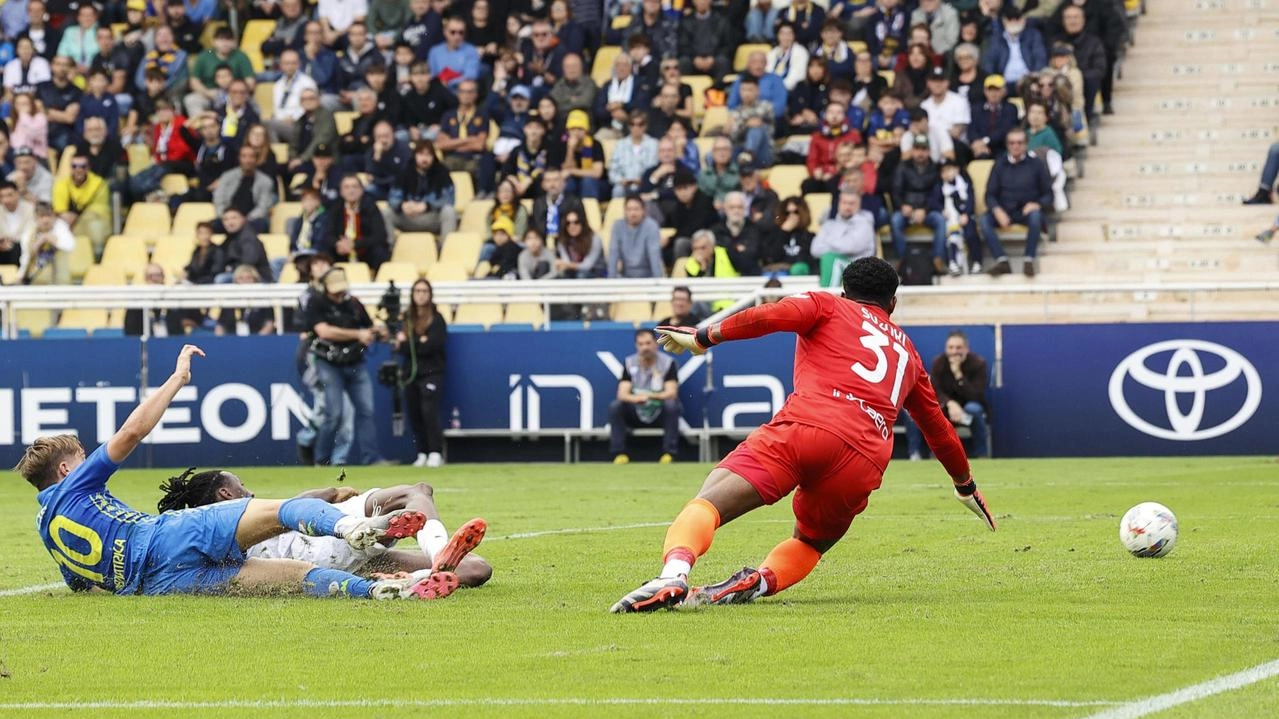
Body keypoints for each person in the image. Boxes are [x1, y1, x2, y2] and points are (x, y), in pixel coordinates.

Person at [610, 257, 996, 612]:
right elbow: (939, 428)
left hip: (809, 427)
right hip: (865, 458)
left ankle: (673, 575)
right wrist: (965, 485)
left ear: (844, 291)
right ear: (892, 304)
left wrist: (704, 336)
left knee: (711, 499)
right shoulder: (909, 354)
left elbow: (769, 316)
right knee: (811, 542)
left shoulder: (827, 304)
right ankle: (756, 582)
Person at [17, 345, 459, 601]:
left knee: (294, 579)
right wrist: (177, 379)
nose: (86, 461)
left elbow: (82, 586)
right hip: (167, 537)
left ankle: (379, 594)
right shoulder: (75, 484)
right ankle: (353, 528)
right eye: (80, 457)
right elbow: (131, 432)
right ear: (65, 468)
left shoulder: (47, 528)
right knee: (282, 509)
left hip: (160, 585)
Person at [157, 472, 490, 587]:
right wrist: (334, 491)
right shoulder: (238, 513)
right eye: (241, 485)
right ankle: (437, 550)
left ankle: (408, 575)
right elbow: (302, 503)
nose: (251, 492)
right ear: (225, 494)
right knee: (415, 492)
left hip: (323, 563)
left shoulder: (210, 541)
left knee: (476, 569)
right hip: (324, 539)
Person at [304, 267, 390, 466]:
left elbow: (368, 326)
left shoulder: (353, 303)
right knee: (333, 414)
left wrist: (379, 332)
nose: (339, 293)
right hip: (328, 363)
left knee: (366, 411)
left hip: (355, 362)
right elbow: (323, 331)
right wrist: (357, 334)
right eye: (335, 290)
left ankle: (371, 457)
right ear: (326, 287)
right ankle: (322, 459)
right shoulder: (316, 302)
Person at [904, 330, 990, 460]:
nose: (954, 351)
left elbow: (976, 395)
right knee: (932, 412)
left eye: (958, 347)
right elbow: (935, 390)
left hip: (968, 407)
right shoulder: (939, 362)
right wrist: (950, 403)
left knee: (973, 409)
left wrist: (958, 375)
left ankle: (982, 455)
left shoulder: (978, 364)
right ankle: (936, 456)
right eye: (951, 347)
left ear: (966, 348)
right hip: (946, 406)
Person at [982, 128, 1053, 277]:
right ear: (1007, 145)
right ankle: (1002, 261)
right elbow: (989, 195)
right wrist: (997, 210)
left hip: (1026, 212)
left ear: (1026, 144)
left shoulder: (1036, 165)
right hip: (1004, 211)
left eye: (1020, 143)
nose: (1016, 146)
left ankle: (1029, 260)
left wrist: (1037, 204)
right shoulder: (999, 165)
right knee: (984, 220)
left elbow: (1048, 194)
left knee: (1035, 216)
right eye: (1012, 143)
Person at [396, 279, 449, 468]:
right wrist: (420, 341)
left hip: (431, 372)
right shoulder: (407, 319)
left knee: (429, 412)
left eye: (424, 290)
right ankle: (422, 452)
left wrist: (413, 342)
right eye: (417, 290)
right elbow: (401, 347)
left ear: (430, 294)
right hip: (411, 373)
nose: (421, 294)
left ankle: (435, 451)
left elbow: (434, 345)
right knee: (414, 413)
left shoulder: (437, 318)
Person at [610, 329, 682, 465]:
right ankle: (619, 454)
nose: (645, 347)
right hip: (636, 411)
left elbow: (671, 393)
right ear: (636, 346)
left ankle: (669, 454)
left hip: (660, 411)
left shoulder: (668, 363)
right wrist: (637, 399)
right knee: (616, 406)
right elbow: (622, 394)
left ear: (656, 344)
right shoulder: (629, 362)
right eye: (641, 344)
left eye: (648, 343)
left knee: (672, 405)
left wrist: (650, 396)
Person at [316, 175, 391, 271]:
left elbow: (380, 236)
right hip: (341, 251)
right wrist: (338, 243)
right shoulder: (335, 208)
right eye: (346, 187)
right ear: (341, 192)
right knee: (323, 252)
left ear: (362, 190)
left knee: (379, 252)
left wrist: (354, 244)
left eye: (355, 187)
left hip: (364, 251)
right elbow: (327, 234)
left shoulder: (371, 207)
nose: (351, 191)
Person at [51, 152, 110, 260]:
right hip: (67, 224)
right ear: (70, 168)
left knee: (95, 226)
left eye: (83, 166)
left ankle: (96, 259)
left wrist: (76, 218)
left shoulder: (99, 184)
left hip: (89, 222)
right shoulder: (61, 184)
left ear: (88, 168)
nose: (79, 170)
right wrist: (67, 216)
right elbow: (59, 211)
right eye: (74, 166)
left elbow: (97, 211)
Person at [608, 195, 663, 279]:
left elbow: (654, 256)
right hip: (625, 277)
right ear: (625, 211)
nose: (633, 213)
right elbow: (613, 254)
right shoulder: (618, 226)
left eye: (636, 209)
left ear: (643, 210)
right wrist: (610, 282)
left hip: (648, 277)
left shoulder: (651, 226)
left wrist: (658, 283)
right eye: (629, 209)